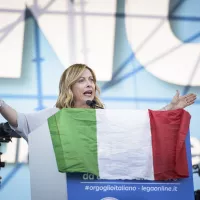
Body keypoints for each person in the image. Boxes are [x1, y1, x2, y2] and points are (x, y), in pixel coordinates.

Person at [0, 64, 197, 142]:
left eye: (92, 80)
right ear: (69, 87)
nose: (90, 84)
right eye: (82, 80)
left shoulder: (103, 116)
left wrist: (170, 108)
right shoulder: (54, 115)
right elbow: (21, 121)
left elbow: (140, 122)